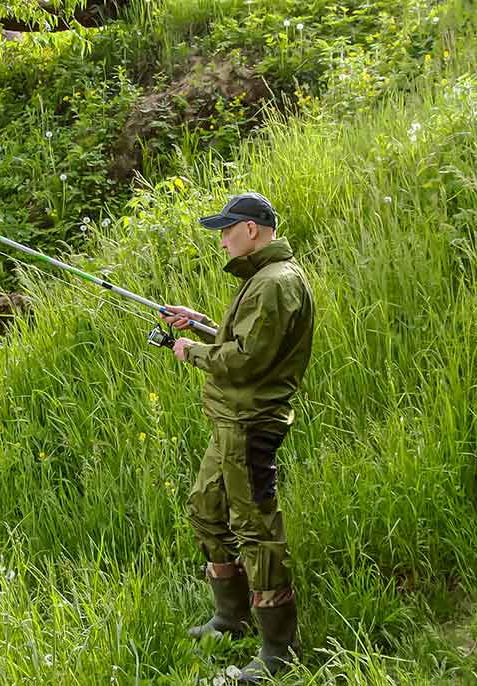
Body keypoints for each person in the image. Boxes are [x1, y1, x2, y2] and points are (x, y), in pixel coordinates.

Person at [160, 192, 314, 684]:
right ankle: (231, 617)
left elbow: (246, 361)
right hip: (230, 421)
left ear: (252, 229)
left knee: (257, 530)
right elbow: (244, 341)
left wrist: (191, 352)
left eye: (227, 229)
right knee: (206, 508)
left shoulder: (274, 283)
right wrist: (201, 325)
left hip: (250, 424)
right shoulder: (264, 280)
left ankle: (278, 650)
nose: (222, 239)